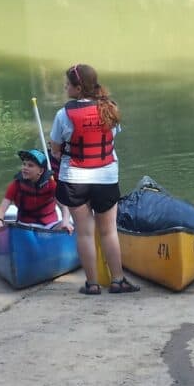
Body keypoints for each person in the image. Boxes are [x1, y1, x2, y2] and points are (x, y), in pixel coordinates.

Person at [49, 63, 139, 294]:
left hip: (75, 179)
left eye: (67, 84)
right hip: (105, 177)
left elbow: (56, 148)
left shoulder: (63, 114)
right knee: (109, 231)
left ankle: (92, 284)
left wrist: (62, 152)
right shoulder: (109, 109)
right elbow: (112, 138)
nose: (65, 87)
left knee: (85, 232)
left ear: (78, 88)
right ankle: (118, 280)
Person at [0, 149, 72, 233]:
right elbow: (2, 208)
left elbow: (64, 207)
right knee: (1, 228)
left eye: (30, 165)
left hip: (49, 227)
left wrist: (65, 222)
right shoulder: (16, 185)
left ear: (40, 171)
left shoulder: (51, 185)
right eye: (24, 164)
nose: (25, 168)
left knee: (67, 226)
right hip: (24, 227)